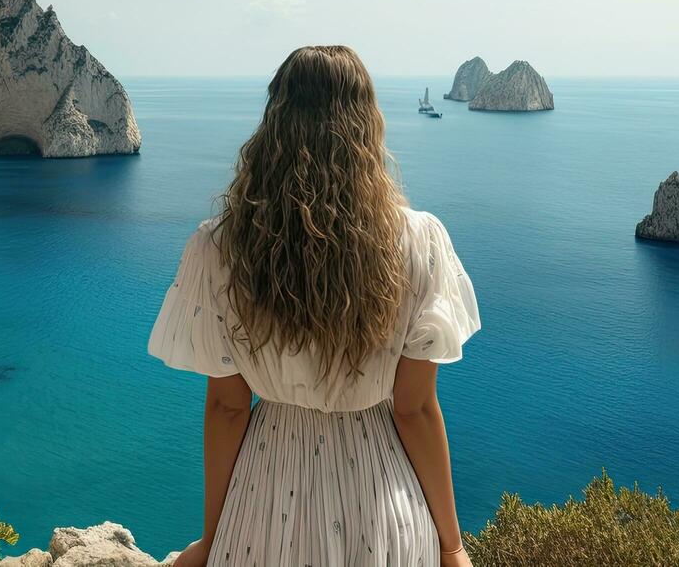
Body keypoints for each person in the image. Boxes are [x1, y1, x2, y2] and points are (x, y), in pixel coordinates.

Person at [149, 45, 480, 566]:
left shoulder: (219, 248)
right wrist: (453, 546)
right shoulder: (421, 242)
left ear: (273, 122)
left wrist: (214, 540)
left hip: (263, 501)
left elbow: (228, 407)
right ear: (367, 124)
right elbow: (413, 410)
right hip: (384, 503)